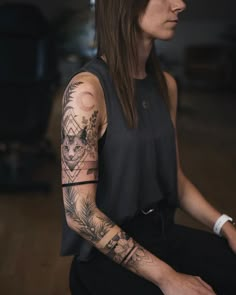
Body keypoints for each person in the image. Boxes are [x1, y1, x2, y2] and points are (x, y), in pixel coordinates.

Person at [60, 0, 236, 294]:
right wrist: (167, 277)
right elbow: (80, 213)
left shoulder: (166, 85)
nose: (180, 5)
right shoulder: (86, 92)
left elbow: (174, 179)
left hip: (162, 235)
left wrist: (226, 226)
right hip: (106, 256)